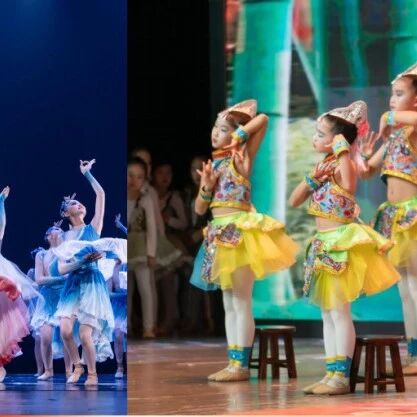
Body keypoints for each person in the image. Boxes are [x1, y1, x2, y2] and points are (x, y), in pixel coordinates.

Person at [289, 101, 400, 395]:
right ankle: (330, 373)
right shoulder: (324, 166)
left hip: (340, 243)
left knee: (339, 312)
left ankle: (341, 376)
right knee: (328, 313)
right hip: (323, 244)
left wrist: (342, 150)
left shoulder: (344, 163)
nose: (315, 138)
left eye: (320, 134)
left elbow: (349, 185)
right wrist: (313, 179)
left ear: (337, 139)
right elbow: (294, 200)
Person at [190, 99, 298, 382]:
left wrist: (240, 134)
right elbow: (199, 210)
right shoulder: (214, 163)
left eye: (223, 129)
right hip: (218, 235)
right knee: (229, 303)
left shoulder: (241, 155)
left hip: (239, 234)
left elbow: (263, 119)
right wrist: (206, 188)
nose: (216, 133)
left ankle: (241, 365)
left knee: (241, 300)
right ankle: (233, 361)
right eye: (215, 127)